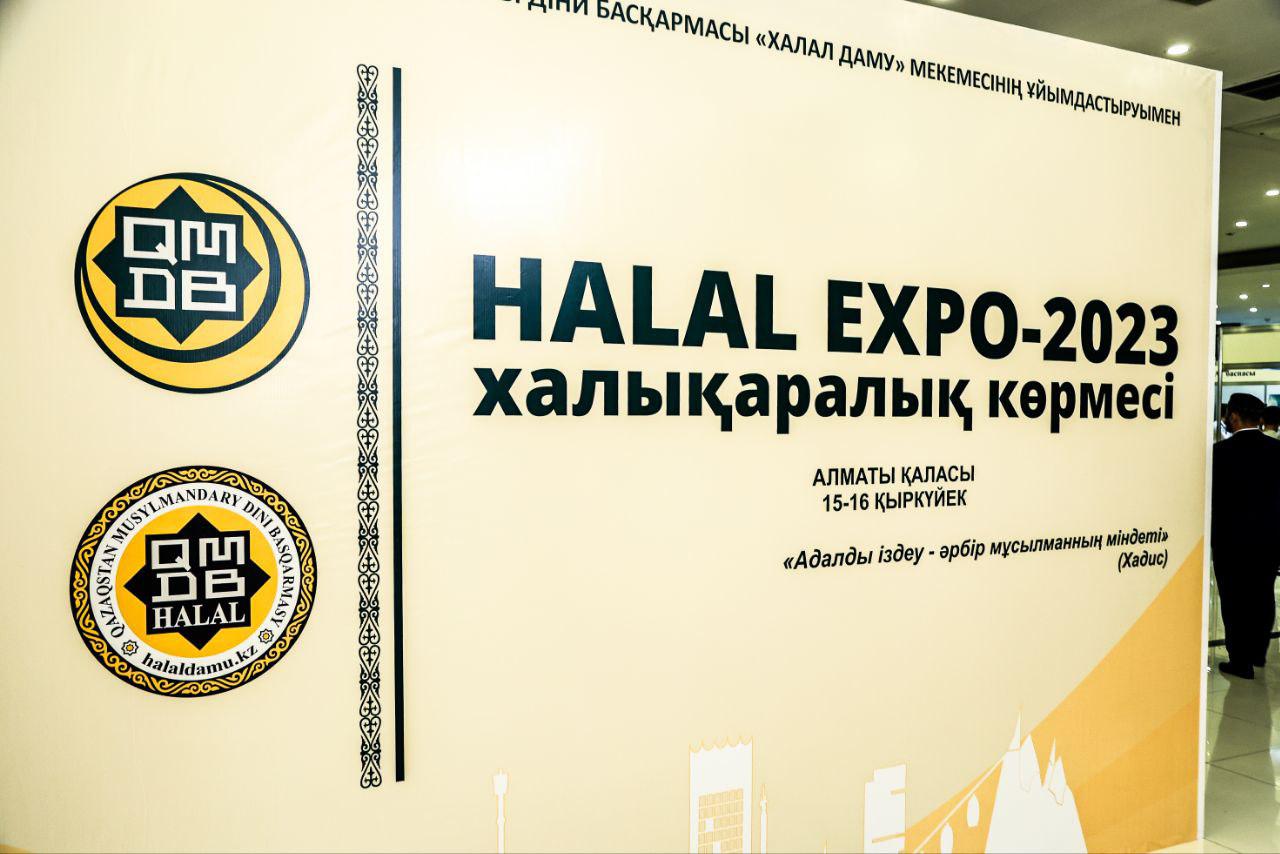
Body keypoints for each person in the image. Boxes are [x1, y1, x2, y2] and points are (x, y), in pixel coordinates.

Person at [1212, 392, 1280, 679]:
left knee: (1234, 599)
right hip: (1269, 538)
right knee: (1263, 594)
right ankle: (1258, 652)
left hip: (1231, 540)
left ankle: (1240, 661)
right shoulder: (1277, 450)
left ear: (1234, 416)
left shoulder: (1220, 453)